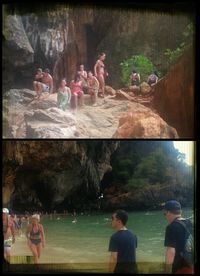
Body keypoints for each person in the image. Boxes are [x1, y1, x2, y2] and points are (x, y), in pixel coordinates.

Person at [163, 200, 194, 274]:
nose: (165, 216)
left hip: (179, 268)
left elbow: (171, 251)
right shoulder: (190, 223)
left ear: (168, 212)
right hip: (190, 265)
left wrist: (167, 270)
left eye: (164, 213)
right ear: (181, 211)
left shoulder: (171, 227)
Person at [108, 209, 138, 274]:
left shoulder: (114, 237)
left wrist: (110, 271)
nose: (111, 221)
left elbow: (114, 258)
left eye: (112, 219)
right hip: (134, 270)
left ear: (119, 221)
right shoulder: (133, 235)